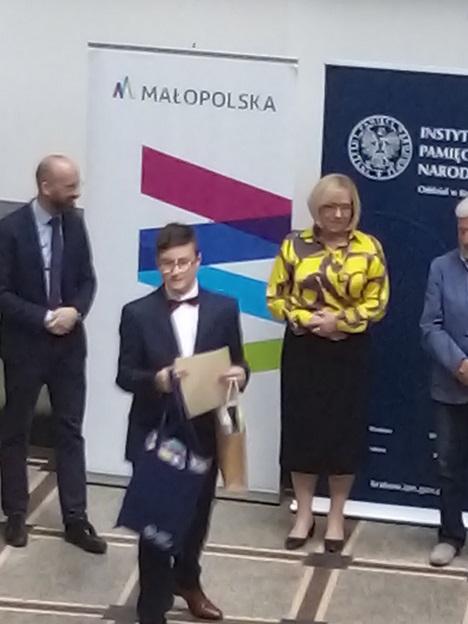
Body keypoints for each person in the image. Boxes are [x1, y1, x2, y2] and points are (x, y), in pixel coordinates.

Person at [116, 222, 248, 624]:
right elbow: (125, 375)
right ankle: (151, 608)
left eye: (183, 262)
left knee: (196, 518)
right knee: (155, 526)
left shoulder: (224, 309)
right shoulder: (137, 313)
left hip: (204, 431)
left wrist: (240, 375)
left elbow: (239, 362)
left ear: (198, 261)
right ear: (158, 264)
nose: (175, 271)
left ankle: (188, 582)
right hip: (154, 432)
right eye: (167, 263)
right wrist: (156, 380)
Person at [267, 173, 389, 552]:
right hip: (304, 349)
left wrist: (340, 321)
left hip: (349, 352)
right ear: (315, 210)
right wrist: (309, 320)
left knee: (343, 433)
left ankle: (336, 516)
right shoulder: (294, 245)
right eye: (329, 207)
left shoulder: (369, 248)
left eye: (345, 207)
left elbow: (378, 301)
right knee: (301, 430)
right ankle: (304, 514)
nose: (337, 214)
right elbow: (275, 297)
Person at [0, 155, 106, 554]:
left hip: (68, 349)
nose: (77, 192)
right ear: (46, 187)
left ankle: (76, 518)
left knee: (70, 431)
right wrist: (44, 318)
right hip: (24, 347)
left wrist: (75, 311)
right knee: (16, 430)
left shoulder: (75, 224)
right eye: (70, 186)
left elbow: (87, 280)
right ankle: (15, 513)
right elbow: (2, 294)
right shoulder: (10, 230)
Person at [420, 197, 468, 567]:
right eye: (463, 231)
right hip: (451, 383)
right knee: (448, 466)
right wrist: (459, 363)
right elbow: (430, 326)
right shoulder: (441, 267)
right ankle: (451, 535)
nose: (467, 238)